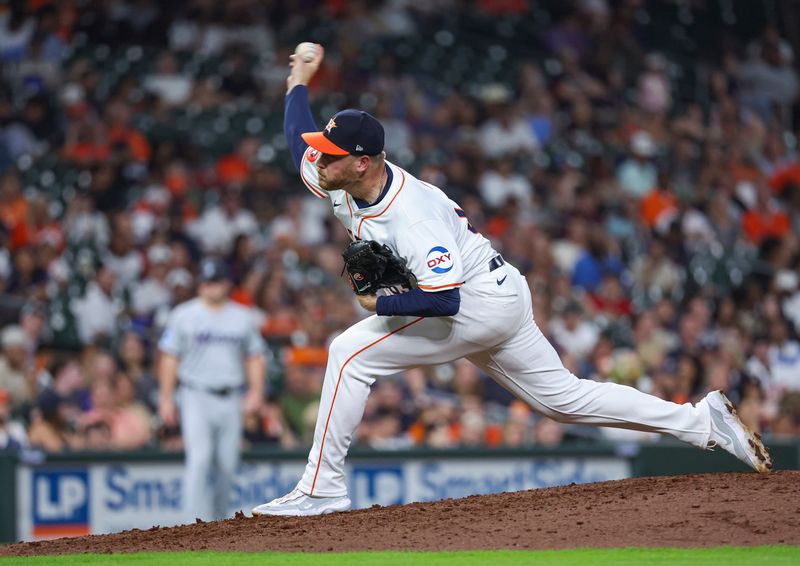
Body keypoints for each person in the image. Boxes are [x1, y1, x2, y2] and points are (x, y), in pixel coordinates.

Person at [251, 44, 772, 517]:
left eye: (332, 153)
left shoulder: (412, 216)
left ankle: (321, 489)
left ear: (362, 163)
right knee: (564, 401)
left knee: (348, 353)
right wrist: (298, 79)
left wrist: (377, 304)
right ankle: (702, 422)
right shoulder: (340, 178)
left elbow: (446, 301)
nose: (320, 158)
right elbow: (299, 146)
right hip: (502, 291)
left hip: (473, 302)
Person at [158, 258, 266, 522]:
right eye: (207, 282)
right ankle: (189, 525)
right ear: (200, 285)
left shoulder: (242, 316)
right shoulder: (183, 315)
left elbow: (255, 356)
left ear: (226, 284)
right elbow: (169, 357)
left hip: (231, 397)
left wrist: (256, 392)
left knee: (228, 465)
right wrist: (165, 399)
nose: (211, 287)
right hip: (195, 394)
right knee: (200, 459)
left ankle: (218, 524)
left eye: (216, 281)